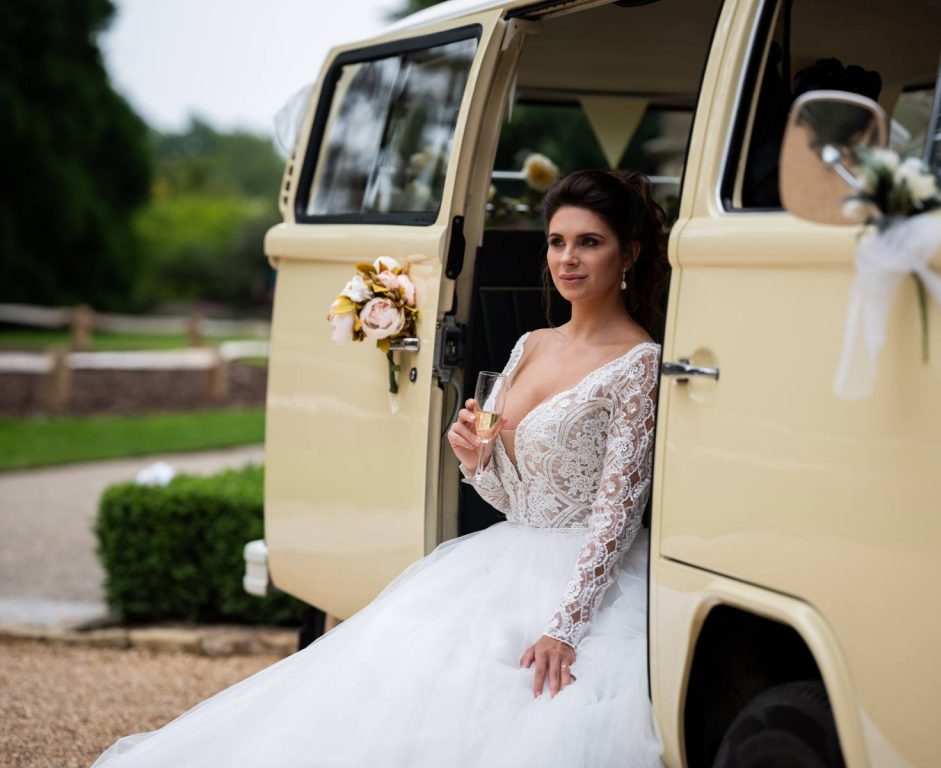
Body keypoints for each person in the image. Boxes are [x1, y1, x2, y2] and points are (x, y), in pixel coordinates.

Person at [92, 169, 669, 767]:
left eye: (589, 242)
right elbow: (515, 498)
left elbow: (616, 513)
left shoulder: (638, 364)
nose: (567, 258)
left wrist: (566, 627)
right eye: (557, 241)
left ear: (627, 253)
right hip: (503, 556)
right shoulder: (531, 345)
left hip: (589, 581)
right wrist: (477, 462)